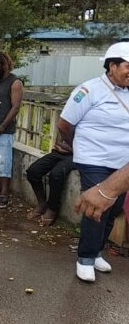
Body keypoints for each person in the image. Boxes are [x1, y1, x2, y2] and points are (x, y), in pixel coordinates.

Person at [57, 41, 129, 282]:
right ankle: (85, 258)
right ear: (112, 66)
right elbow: (65, 124)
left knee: (115, 208)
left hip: (123, 165)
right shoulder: (89, 90)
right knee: (97, 206)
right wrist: (78, 146)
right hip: (94, 160)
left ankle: (97, 251)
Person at [0, 51, 23, 208]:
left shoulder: (15, 82)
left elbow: (15, 107)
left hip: (4, 129)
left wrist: (2, 127)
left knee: (4, 163)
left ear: (3, 65)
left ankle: (4, 194)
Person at [25, 134, 75, 226]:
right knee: (33, 171)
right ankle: (42, 203)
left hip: (76, 157)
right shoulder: (68, 121)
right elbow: (58, 141)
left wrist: (69, 149)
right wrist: (66, 147)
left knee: (56, 174)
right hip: (59, 152)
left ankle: (53, 208)